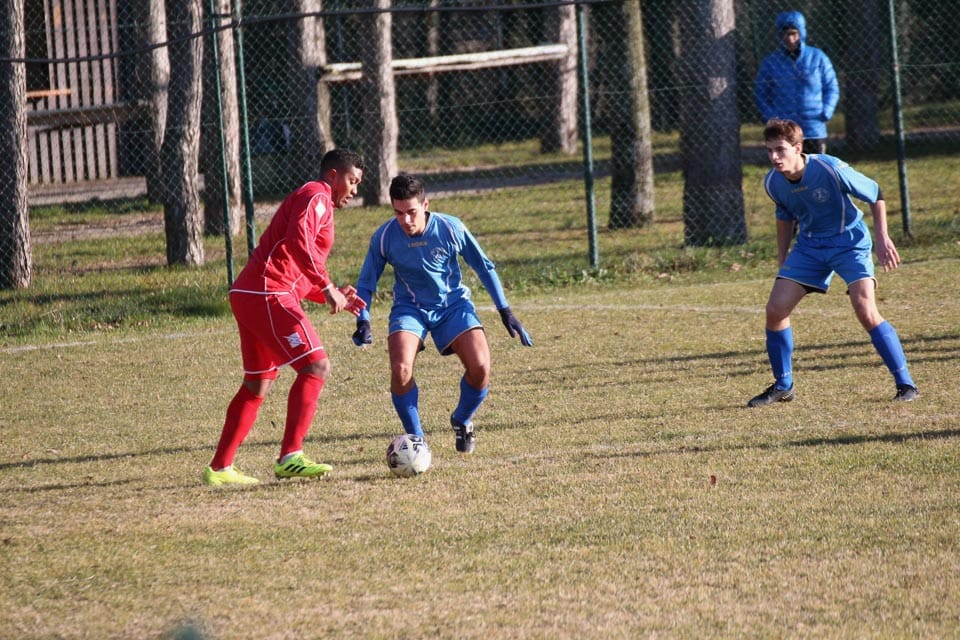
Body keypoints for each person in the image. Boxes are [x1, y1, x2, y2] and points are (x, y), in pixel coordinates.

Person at [202, 148, 366, 486]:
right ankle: (290, 456)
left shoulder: (318, 201)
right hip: (267, 292)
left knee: (256, 384)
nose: (354, 190)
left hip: (253, 293)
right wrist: (327, 286)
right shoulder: (316, 194)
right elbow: (297, 241)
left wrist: (330, 293)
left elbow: (296, 271)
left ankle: (220, 468)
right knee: (316, 366)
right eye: (352, 181)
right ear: (333, 176)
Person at [351, 173, 532, 453]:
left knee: (480, 368)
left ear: (425, 205)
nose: (405, 220)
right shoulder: (385, 236)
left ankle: (462, 419)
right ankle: (417, 441)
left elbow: (483, 267)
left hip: (453, 306)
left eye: (411, 212)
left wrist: (504, 309)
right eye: (398, 213)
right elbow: (366, 284)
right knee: (401, 370)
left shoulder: (450, 228)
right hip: (410, 308)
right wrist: (363, 319)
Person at [747, 119, 918, 408]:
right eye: (769, 150)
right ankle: (784, 386)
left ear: (797, 148)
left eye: (780, 149)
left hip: (849, 242)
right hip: (810, 247)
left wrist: (882, 238)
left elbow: (876, 193)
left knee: (865, 309)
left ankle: (906, 384)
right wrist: (782, 258)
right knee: (775, 310)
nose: (774, 157)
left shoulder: (829, 167)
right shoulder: (773, 182)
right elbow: (784, 216)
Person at [754, 10, 839, 154]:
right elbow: (761, 93)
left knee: (816, 164)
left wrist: (827, 110)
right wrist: (771, 117)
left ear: (801, 33)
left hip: (813, 127)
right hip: (785, 130)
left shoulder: (818, 57)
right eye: (785, 34)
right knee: (788, 165)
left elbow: (831, 87)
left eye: (793, 33)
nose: (789, 38)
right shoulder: (771, 62)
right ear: (779, 35)